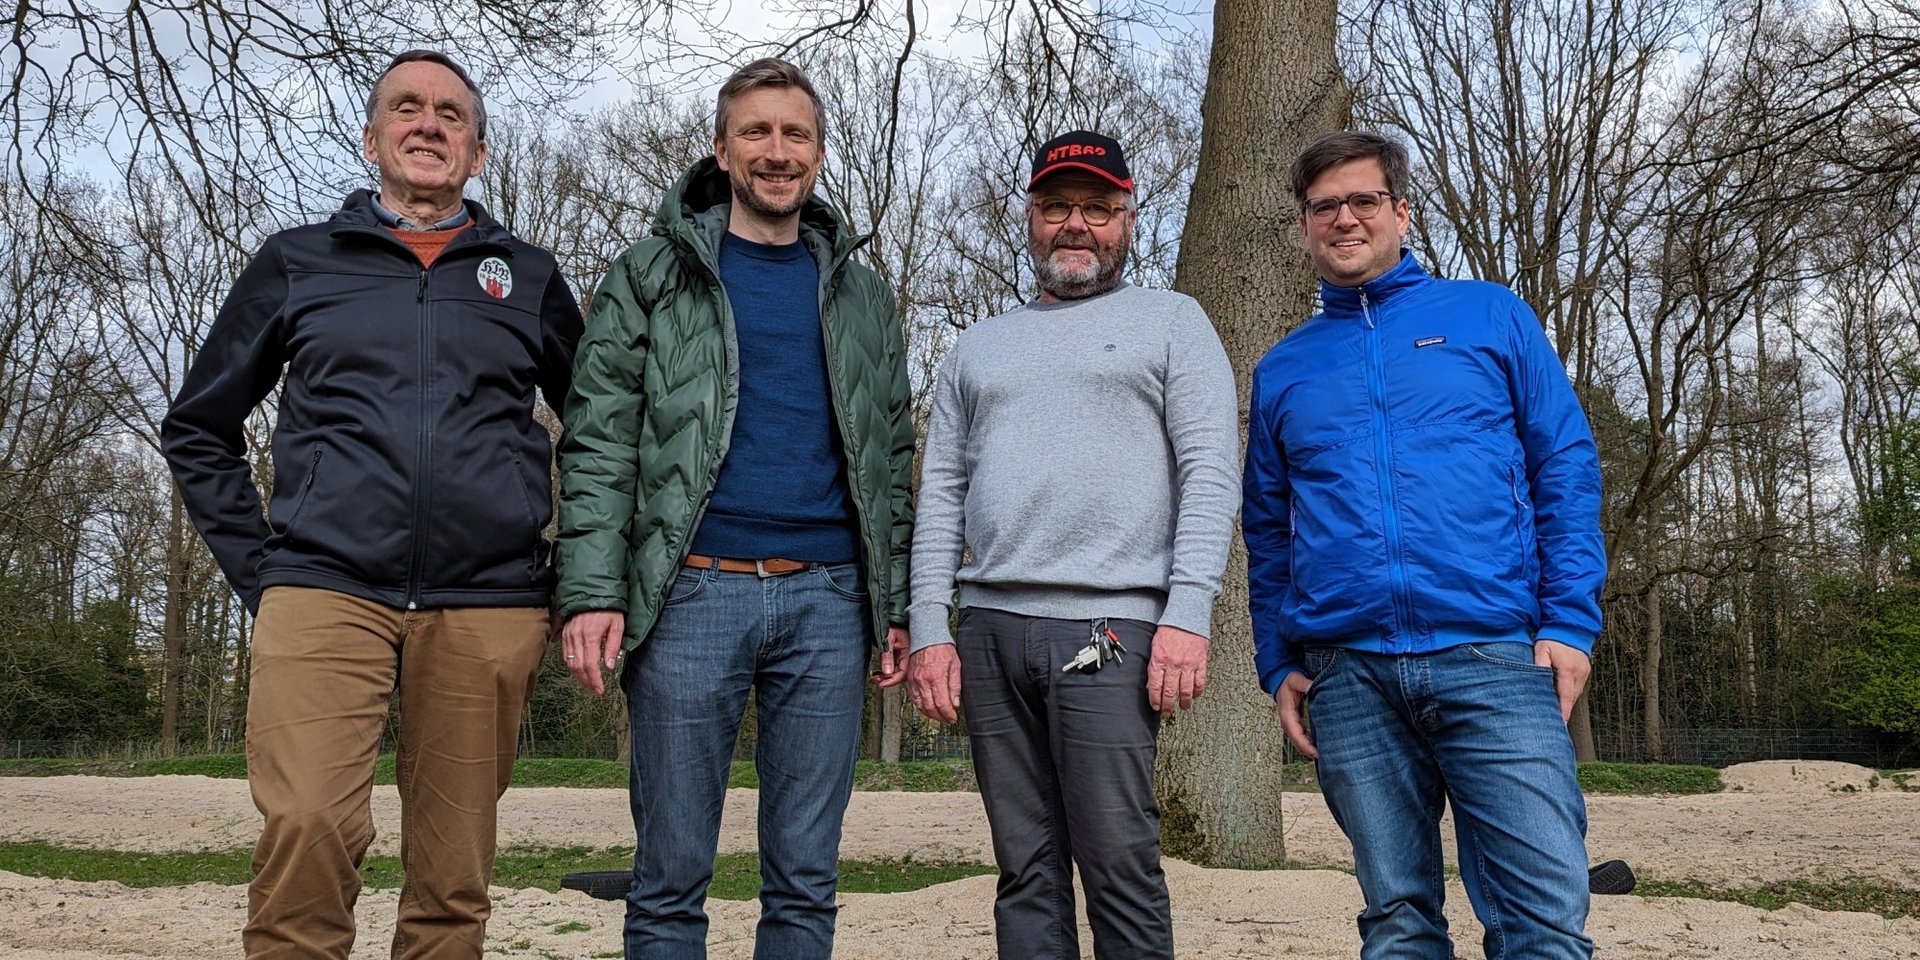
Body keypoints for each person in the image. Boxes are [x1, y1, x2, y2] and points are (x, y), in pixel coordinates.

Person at [160, 50, 583, 960]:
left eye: (449, 114)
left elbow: (599, 435)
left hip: (488, 603)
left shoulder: (531, 278)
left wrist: (565, 573)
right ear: (371, 137)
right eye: (405, 108)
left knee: (452, 876)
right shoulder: (298, 262)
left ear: (477, 152)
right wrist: (266, 570)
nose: (427, 124)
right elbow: (199, 427)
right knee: (308, 825)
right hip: (324, 591)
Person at [553, 57, 915, 960]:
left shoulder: (864, 297)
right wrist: (591, 589)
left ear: (821, 154)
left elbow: (892, 455)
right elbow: (596, 442)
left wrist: (897, 603)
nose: (777, 151)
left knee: (805, 882)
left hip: (831, 602)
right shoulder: (649, 277)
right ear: (721, 149)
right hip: (689, 596)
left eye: (795, 134)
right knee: (669, 879)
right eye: (756, 132)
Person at [1243, 130, 1606, 959]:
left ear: (1401, 211)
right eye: (1323, 206)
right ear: (1304, 226)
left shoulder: (1490, 316)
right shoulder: (1284, 368)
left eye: (1363, 200)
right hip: (1348, 676)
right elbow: (1266, 529)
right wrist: (1278, 662)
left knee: (1544, 926)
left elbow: (1566, 469)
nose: (1344, 219)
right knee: (1398, 924)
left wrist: (1570, 623)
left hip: (1497, 659)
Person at [906, 131, 1240, 960]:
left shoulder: (1173, 322)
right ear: (1031, 217)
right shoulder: (978, 345)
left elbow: (1210, 473)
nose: (1076, 225)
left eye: (1098, 208)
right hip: (986, 630)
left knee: (1119, 862)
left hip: (1109, 635)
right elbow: (940, 491)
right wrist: (931, 625)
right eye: (1057, 207)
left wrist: (1189, 612)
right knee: (1024, 867)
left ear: (1128, 219)